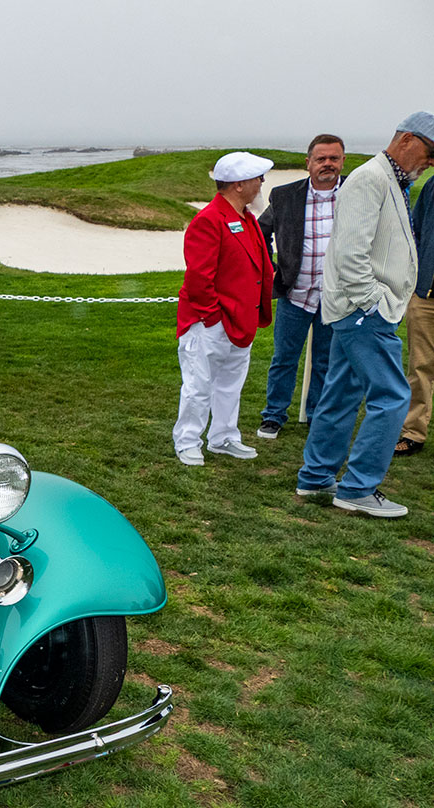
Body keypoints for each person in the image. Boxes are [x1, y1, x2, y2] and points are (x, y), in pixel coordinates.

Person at [297, 112, 434, 517]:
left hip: (360, 311)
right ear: (408, 140)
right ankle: (357, 488)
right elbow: (350, 252)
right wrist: (372, 302)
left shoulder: (390, 179)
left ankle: (317, 477)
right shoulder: (371, 179)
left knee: (341, 393)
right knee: (393, 396)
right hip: (364, 312)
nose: (430, 162)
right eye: (429, 152)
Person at [172, 152, 274, 466]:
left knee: (230, 384)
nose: (261, 185)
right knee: (198, 384)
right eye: (258, 179)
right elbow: (200, 277)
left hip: (240, 319)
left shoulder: (246, 219)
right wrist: (213, 317)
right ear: (239, 184)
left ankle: (224, 436)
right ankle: (188, 440)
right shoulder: (209, 220)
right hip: (211, 322)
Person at [256, 135, 347, 439]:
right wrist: (270, 270)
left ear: (342, 161)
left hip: (337, 296)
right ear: (308, 163)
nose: (327, 164)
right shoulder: (285, 196)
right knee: (284, 358)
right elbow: (260, 232)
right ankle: (273, 415)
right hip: (295, 293)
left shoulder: (355, 192)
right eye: (321, 159)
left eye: (334, 158)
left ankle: (316, 414)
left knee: (325, 359)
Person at [393, 179, 434, 456]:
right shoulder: (432, 187)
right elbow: (415, 233)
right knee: (420, 368)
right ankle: (414, 433)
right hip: (425, 295)